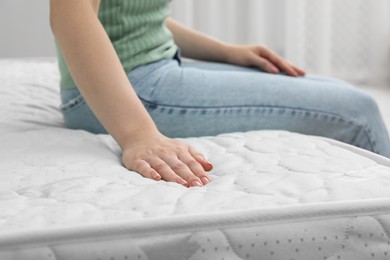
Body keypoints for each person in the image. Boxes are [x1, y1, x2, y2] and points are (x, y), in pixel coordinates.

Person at [50, 0, 390, 188]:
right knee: (355, 112)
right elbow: (71, 13)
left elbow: (128, 15)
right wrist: (138, 135)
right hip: (126, 88)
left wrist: (225, 51)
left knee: (336, 91)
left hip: (153, 67)